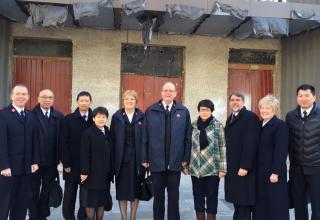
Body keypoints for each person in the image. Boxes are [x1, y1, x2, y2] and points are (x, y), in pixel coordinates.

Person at [141, 81, 192, 220]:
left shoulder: (183, 111)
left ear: (175, 93)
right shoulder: (151, 111)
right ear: (161, 93)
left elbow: (188, 138)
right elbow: (144, 136)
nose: (168, 93)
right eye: (165, 90)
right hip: (156, 162)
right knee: (158, 197)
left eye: (171, 90)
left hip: (175, 163)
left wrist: (185, 159)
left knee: (174, 196)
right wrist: (144, 158)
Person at [0, 84, 39, 220]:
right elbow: (1, 142)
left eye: (24, 94)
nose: (21, 96)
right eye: (18, 94)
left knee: (21, 203)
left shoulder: (31, 116)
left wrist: (35, 161)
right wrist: (4, 166)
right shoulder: (3, 115)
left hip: (26, 168)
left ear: (28, 97)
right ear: (12, 96)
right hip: (8, 169)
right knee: (4, 203)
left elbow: (35, 140)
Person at [28, 89, 64, 220]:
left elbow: (62, 139)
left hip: (51, 161)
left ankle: (42, 215)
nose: (47, 99)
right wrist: (31, 160)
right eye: (44, 97)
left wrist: (61, 158)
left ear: (53, 100)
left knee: (46, 190)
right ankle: (33, 216)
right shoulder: (31, 114)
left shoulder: (59, 116)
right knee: (32, 191)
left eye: (50, 97)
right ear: (38, 99)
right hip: (34, 161)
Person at [286, 84, 320, 220]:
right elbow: (287, 141)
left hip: (316, 169)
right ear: (296, 98)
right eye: (300, 96)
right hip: (296, 169)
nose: (303, 99)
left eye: (307, 95)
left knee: (317, 206)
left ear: (314, 97)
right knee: (299, 205)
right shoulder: (290, 116)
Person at [224, 92, 260, 220]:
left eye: (238, 100)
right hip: (233, 166)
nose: (235, 102)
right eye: (232, 100)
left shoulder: (250, 117)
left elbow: (251, 144)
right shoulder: (231, 117)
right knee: (237, 200)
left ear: (243, 102)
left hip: (243, 168)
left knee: (244, 200)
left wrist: (245, 166)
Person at [189, 99, 226, 220]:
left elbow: (222, 147)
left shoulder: (217, 125)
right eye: (202, 110)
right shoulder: (193, 125)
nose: (204, 112)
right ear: (199, 111)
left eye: (207, 110)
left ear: (212, 111)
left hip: (212, 168)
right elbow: (189, 146)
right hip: (196, 168)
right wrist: (186, 166)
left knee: (211, 196)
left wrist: (223, 168)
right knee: (197, 196)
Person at [253, 95, 289, 220]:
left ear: (274, 110)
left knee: (276, 205)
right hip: (259, 172)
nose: (264, 110)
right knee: (261, 204)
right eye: (262, 108)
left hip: (273, 173)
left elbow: (281, 151)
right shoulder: (258, 125)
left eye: (267, 108)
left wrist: (275, 172)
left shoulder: (280, 125)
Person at [110, 90, 145, 220]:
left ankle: (133, 217)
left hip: (137, 160)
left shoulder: (141, 116)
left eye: (132, 99)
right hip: (121, 161)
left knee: (136, 190)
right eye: (127, 99)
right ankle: (124, 217)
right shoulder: (117, 117)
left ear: (136, 101)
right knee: (122, 191)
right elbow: (112, 139)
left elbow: (146, 139)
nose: (129, 101)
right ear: (123, 101)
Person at [61, 91, 93, 220]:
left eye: (87, 101)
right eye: (82, 101)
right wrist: (66, 163)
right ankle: (68, 217)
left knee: (85, 194)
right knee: (70, 194)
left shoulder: (94, 119)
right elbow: (63, 142)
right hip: (72, 164)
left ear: (90, 102)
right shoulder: (68, 119)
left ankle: (83, 217)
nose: (84, 103)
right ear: (77, 102)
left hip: (89, 165)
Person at [80, 106, 113, 220]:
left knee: (101, 202)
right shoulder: (88, 133)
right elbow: (84, 154)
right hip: (91, 175)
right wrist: (84, 172)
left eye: (103, 117)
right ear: (93, 119)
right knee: (90, 202)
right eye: (98, 117)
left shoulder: (107, 131)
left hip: (104, 174)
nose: (101, 119)